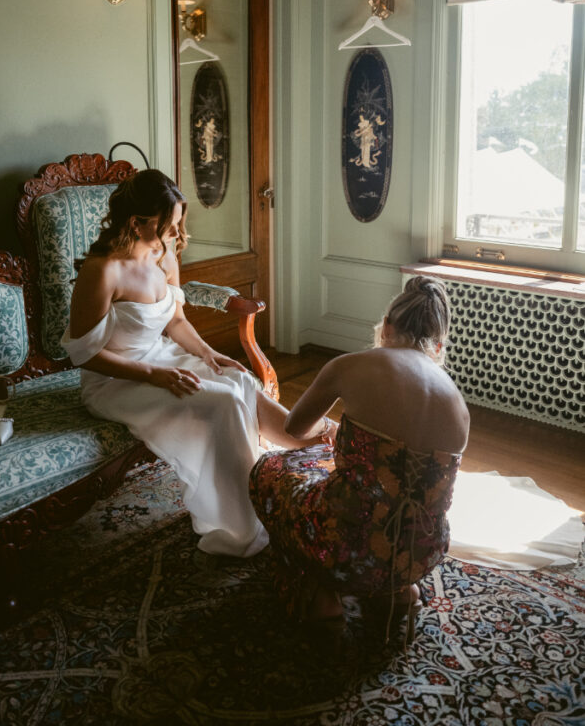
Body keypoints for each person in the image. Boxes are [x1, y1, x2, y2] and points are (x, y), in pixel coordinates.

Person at [61, 169, 335, 559]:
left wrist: (210, 354)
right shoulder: (103, 270)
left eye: (177, 223)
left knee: (239, 380)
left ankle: (300, 447)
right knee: (221, 403)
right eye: (168, 225)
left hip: (161, 356)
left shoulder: (163, 255)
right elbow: (84, 353)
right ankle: (242, 525)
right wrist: (158, 376)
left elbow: (174, 320)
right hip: (115, 379)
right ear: (137, 222)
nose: (175, 233)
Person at [249, 275, 469, 639]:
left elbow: (294, 428)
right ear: (437, 344)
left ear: (387, 326)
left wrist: (334, 427)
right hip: (421, 551)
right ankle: (398, 590)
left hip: (345, 545)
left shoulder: (349, 366)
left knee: (269, 470)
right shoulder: (457, 403)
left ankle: (322, 594)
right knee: (390, 508)